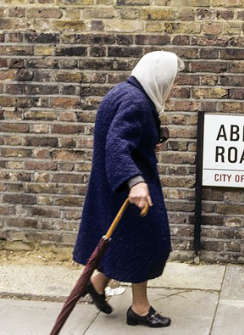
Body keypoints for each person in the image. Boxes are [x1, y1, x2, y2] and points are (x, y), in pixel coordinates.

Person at [73, 51, 184, 327]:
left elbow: (127, 136)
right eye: (173, 80)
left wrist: (153, 140)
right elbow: (117, 144)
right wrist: (135, 182)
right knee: (147, 244)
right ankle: (140, 309)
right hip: (131, 189)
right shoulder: (135, 102)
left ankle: (98, 283)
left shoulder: (124, 92)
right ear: (160, 77)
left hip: (114, 186)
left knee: (126, 241)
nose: (174, 87)